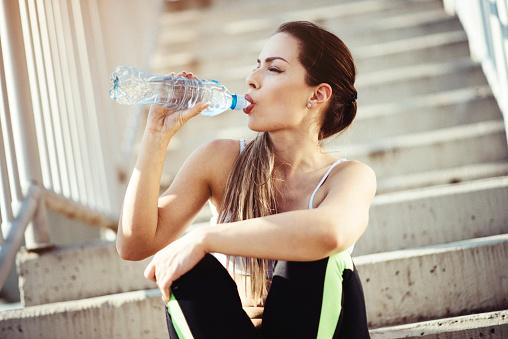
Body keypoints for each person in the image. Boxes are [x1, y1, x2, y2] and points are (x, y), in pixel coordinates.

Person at [117, 20, 376, 339]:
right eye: (257, 65)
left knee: (314, 257)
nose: (252, 79)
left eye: (274, 69)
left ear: (317, 94)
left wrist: (204, 237)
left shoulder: (348, 177)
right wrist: (155, 137)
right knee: (191, 272)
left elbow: (329, 234)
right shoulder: (220, 159)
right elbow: (135, 243)